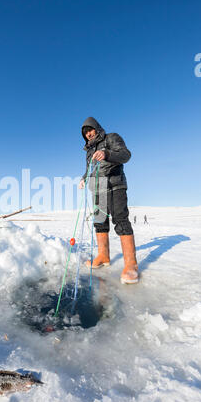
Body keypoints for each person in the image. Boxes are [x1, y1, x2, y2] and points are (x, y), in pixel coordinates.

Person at [79, 117, 138, 284]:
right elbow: (89, 169)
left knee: (120, 219)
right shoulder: (89, 151)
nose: (88, 134)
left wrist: (107, 154)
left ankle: (131, 265)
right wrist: (84, 178)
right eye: (85, 133)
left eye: (90, 130)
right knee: (99, 221)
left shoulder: (111, 138)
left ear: (96, 128)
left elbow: (125, 155)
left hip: (115, 184)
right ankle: (103, 256)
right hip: (98, 189)